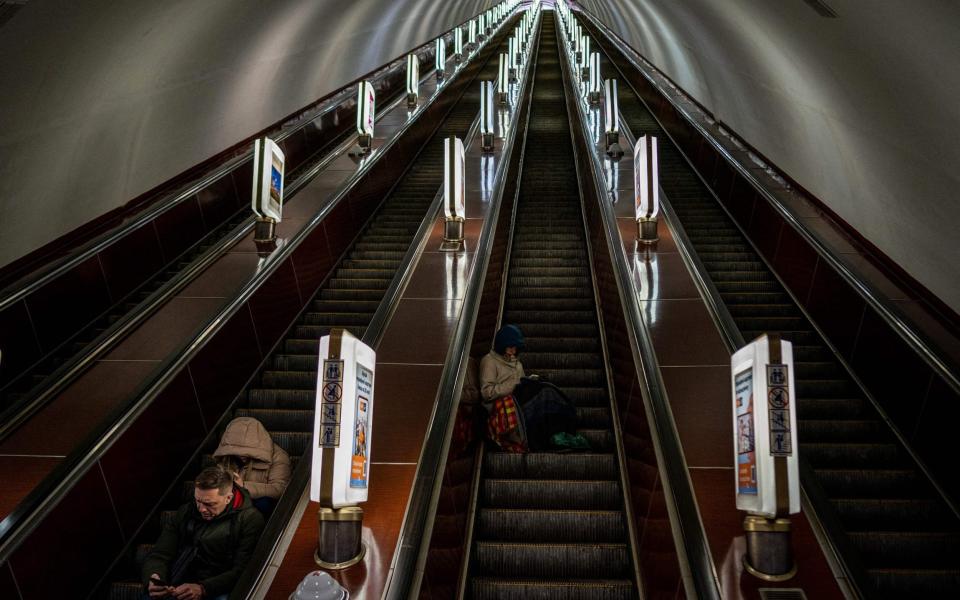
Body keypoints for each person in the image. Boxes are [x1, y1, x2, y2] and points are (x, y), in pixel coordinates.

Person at [142, 466, 265, 600]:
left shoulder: (250, 519)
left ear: (228, 498)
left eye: (209, 504)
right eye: (197, 501)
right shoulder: (186, 511)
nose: (201, 509)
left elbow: (243, 570)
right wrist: (154, 577)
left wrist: (203, 588)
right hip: (179, 579)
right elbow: (160, 554)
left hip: (217, 586)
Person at [213, 417, 291, 516]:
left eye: (246, 451)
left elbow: (280, 489)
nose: (241, 454)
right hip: (232, 502)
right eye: (236, 450)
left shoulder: (278, 457)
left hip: (260, 508)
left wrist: (243, 487)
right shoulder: (228, 456)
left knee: (264, 503)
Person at [480, 325, 529, 452]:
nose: (513, 350)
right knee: (508, 402)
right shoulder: (489, 361)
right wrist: (511, 385)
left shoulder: (517, 364)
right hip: (496, 409)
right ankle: (512, 439)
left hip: (517, 404)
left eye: (515, 347)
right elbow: (486, 393)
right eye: (510, 347)